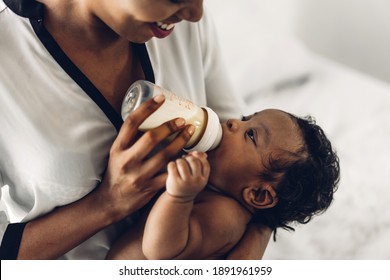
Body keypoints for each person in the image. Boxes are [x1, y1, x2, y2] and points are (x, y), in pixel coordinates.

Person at [0, 0, 271, 259]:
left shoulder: (180, 25)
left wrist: (250, 247)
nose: (195, 13)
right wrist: (108, 203)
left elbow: (261, 170)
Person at [106, 109, 340, 260]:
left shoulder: (225, 217)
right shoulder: (218, 193)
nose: (232, 124)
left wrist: (179, 197)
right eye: (245, 119)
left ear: (258, 194)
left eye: (250, 135)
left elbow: (159, 250)